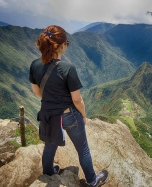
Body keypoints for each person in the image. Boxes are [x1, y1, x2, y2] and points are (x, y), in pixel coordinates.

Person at [29, 25, 108, 187]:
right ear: (61, 45)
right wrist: (83, 115)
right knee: (83, 149)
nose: (67, 45)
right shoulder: (68, 69)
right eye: (67, 42)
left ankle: (49, 171)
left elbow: (36, 90)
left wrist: (52, 100)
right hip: (68, 114)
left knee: (50, 144)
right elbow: (77, 100)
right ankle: (92, 180)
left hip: (48, 113)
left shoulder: (34, 65)